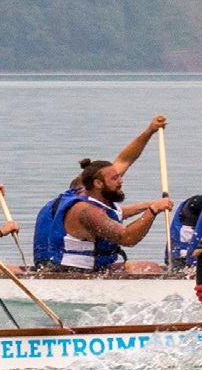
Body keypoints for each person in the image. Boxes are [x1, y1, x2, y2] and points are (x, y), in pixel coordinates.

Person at [31, 116, 172, 273]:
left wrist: (150, 131)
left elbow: (124, 160)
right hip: (69, 270)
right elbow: (128, 239)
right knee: (150, 269)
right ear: (97, 184)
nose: (121, 180)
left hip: (84, 265)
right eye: (115, 178)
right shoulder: (87, 211)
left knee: (150, 267)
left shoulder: (86, 192)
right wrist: (152, 210)